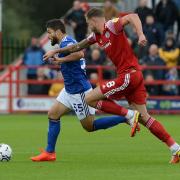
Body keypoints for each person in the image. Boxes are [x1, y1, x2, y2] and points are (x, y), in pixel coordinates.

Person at [44, 8, 180, 164]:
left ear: (94, 21)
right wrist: (57, 51)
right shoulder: (96, 36)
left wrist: (141, 34)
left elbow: (133, 16)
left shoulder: (112, 26)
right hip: (133, 76)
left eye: (89, 23)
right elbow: (77, 47)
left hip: (129, 75)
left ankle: (128, 115)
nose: (88, 27)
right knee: (144, 118)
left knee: (89, 98)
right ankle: (175, 148)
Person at [31, 19, 140, 162]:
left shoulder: (67, 43)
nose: (49, 36)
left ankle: (125, 117)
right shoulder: (65, 43)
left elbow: (80, 54)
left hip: (80, 92)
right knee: (53, 114)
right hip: (69, 90)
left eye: (50, 33)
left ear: (58, 32)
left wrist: (61, 60)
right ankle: (50, 153)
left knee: (90, 126)